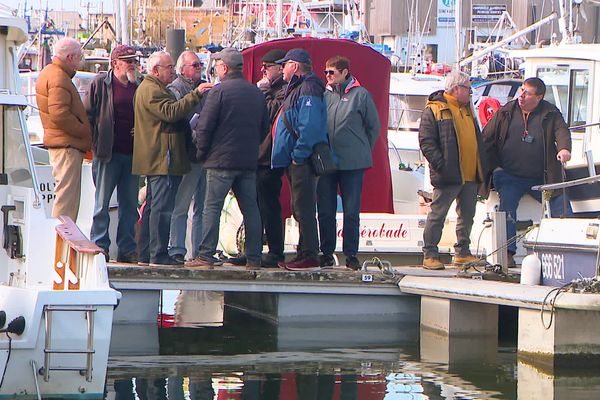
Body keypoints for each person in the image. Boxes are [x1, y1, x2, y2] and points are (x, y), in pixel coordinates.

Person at [186, 48, 269, 269]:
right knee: (251, 208)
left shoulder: (218, 93)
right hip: (247, 161)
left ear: (224, 68)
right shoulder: (255, 93)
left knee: (211, 207)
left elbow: (204, 128)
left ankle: (205, 256)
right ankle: (254, 257)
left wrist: (202, 153)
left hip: (220, 161)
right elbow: (264, 128)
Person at [483, 77, 571, 266]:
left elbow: (561, 131)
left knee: (560, 201)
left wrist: (564, 149)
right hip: (509, 175)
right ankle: (508, 252)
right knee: (507, 203)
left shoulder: (550, 112)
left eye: (527, 93)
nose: (521, 96)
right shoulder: (507, 111)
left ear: (539, 97)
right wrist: (491, 168)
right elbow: (486, 138)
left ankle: (567, 246)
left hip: (541, 177)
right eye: (521, 90)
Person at [133, 51, 205, 267]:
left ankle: (146, 253)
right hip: (161, 158)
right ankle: (158, 254)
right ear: (156, 70)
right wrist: (196, 95)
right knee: (162, 209)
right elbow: (171, 112)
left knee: (154, 207)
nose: (172, 72)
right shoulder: (152, 90)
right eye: (169, 68)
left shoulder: (153, 88)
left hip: (159, 157)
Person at [418, 70, 487, 270]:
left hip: (470, 174)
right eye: (468, 89)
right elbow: (427, 142)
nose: (470, 93)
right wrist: (441, 165)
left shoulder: (467, 109)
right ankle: (430, 254)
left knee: (467, 215)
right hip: (448, 174)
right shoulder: (435, 109)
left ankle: (462, 252)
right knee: (438, 214)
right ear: (456, 89)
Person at [317, 56, 380, 270]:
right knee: (325, 210)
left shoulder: (361, 95)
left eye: (331, 72)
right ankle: (326, 252)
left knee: (351, 211)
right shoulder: (324, 95)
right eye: (325, 72)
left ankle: (351, 254)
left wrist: (361, 148)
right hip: (327, 162)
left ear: (345, 72)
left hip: (353, 163)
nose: (327, 76)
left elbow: (373, 127)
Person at [272, 48, 329, 271]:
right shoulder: (298, 87)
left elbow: (310, 124)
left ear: (294, 66)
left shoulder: (308, 87)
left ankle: (310, 255)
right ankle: (303, 251)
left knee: (303, 207)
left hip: (302, 160)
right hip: (296, 159)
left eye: (285, 64)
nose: (282, 68)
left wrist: (298, 155)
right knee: (299, 206)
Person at [84, 44, 140, 263]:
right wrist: (93, 143)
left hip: (133, 153)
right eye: (128, 61)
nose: (133, 64)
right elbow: (88, 113)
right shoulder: (101, 83)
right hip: (107, 152)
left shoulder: (139, 85)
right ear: (115, 63)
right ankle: (100, 245)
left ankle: (127, 248)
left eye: (134, 60)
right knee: (102, 203)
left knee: (129, 204)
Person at [36, 37, 92, 222]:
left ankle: (61, 241)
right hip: (66, 146)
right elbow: (59, 114)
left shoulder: (51, 73)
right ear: (69, 57)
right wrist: (84, 130)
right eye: (79, 56)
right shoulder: (58, 77)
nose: (80, 61)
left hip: (62, 144)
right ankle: (60, 243)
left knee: (65, 197)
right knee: (66, 201)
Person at [167, 51, 213, 263]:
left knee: (203, 207)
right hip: (187, 154)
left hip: (206, 154)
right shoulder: (175, 89)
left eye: (200, 65)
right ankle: (176, 248)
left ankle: (200, 252)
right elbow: (177, 118)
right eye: (194, 65)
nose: (198, 68)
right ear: (182, 68)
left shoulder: (205, 87)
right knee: (181, 205)